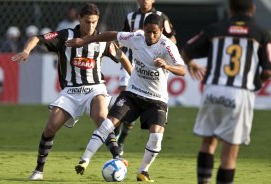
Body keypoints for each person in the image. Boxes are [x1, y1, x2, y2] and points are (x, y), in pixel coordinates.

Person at [11, 3, 132, 180]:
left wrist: (134, 79)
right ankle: (39, 170)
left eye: (94, 22)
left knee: (101, 118)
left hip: (95, 88)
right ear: (79, 19)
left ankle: (117, 157)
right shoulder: (65, 35)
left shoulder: (103, 40)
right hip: (71, 91)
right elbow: (37, 38)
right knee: (50, 128)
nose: (90, 26)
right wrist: (26, 50)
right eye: (87, 22)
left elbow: (123, 58)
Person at [66, 13, 186, 182]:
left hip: (157, 100)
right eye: (148, 32)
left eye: (155, 33)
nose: (151, 36)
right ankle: (84, 161)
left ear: (161, 32)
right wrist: (84, 41)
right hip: (133, 94)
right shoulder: (136, 37)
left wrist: (167, 66)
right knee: (107, 124)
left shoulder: (167, 46)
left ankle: (143, 172)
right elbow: (111, 35)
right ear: (143, 29)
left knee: (157, 137)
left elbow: (182, 70)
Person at [181, 0, 271, 183]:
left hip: (213, 90)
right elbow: (268, 71)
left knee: (208, 143)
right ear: (252, 9)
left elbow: (187, 50)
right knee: (229, 155)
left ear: (230, 9)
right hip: (239, 93)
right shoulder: (262, 33)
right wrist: (256, 84)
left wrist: (191, 64)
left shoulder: (214, 29)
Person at [116, 0, 177, 156]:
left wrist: (167, 55)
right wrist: (116, 48)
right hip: (130, 62)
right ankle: (115, 133)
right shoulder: (130, 16)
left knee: (134, 101)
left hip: (150, 66)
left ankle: (121, 139)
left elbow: (172, 38)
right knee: (125, 95)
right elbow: (122, 38)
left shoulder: (161, 17)